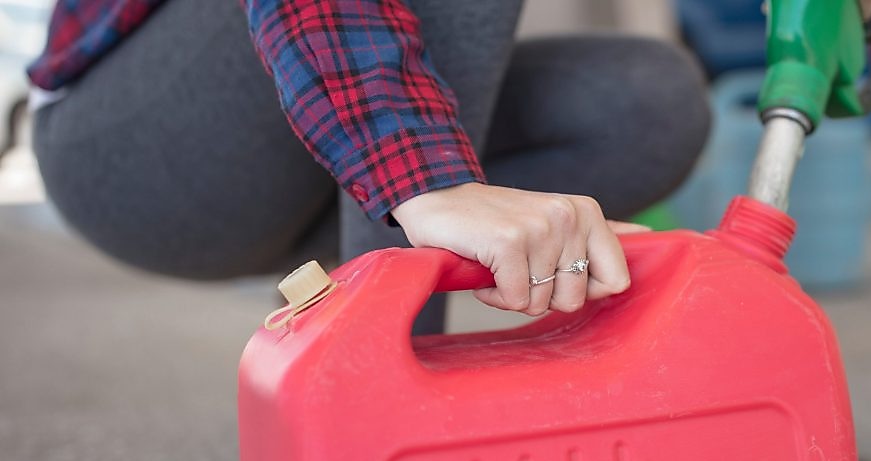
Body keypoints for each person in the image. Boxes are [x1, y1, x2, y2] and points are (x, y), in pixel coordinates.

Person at [27, 0, 712, 332]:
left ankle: (364, 273)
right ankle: (379, 401)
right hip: (130, 147)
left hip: (302, 154)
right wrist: (425, 177)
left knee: (649, 105)